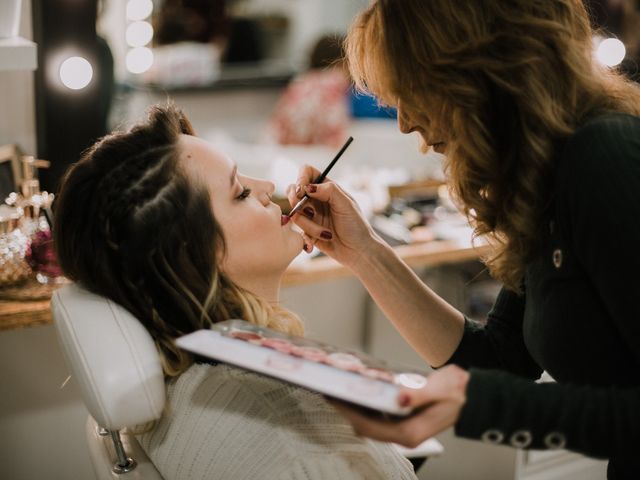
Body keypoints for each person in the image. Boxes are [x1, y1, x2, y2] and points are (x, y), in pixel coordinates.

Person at [286, 1, 640, 479]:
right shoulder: (544, 181)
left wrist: (479, 404)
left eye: (411, 94)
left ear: (475, 72)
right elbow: (499, 359)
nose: (405, 123)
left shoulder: (604, 159)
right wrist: (362, 251)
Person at [53, 104, 416, 480]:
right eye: (241, 192)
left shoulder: (176, 393)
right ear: (190, 257)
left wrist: (366, 252)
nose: (269, 188)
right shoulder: (306, 455)